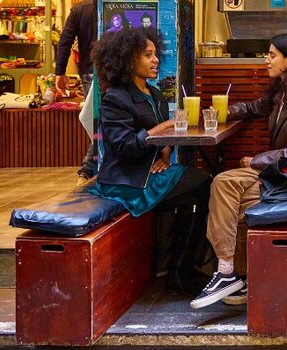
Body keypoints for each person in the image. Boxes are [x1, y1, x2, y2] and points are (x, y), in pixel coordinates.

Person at [190, 33, 287, 309]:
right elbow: (254, 107)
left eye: (272, 55)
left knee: (225, 188)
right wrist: (220, 111)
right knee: (226, 190)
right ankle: (234, 276)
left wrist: (257, 160)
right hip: (282, 172)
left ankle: (229, 273)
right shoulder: (282, 91)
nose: (266, 60)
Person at [89, 27, 211, 296]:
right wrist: (162, 128)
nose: (155, 60)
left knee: (199, 191)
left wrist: (165, 155)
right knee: (203, 184)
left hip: (152, 174)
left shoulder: (156, 95)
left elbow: (164, 140)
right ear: (127, 59)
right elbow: (125, 147)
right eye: (147, 55)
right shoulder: (115, 98)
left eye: (156, 54)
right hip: (127, 181)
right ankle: (181, 269)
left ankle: (180, 267)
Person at [54, 0, 98, 182]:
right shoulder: (113, 3)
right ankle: (88, 168)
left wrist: (60, 71)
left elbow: (65, 40)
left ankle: (89, 169)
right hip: (112, 70)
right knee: (101, 120)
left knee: (97, 119)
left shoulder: (79, 9)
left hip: (88, 70)